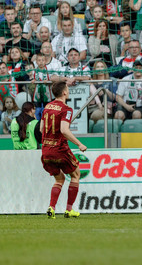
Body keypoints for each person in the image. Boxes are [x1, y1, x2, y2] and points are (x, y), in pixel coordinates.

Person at [41, 81, 87, 219]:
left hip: (46, 150)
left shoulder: (47, 106)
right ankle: (69, 210)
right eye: (67, 88)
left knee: (59, 179)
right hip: (59, 148)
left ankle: (51, 207)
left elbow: (41, 129)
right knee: (76, 175)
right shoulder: (66, 109)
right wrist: (79, 144)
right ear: (65, 92)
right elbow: (64, 130)